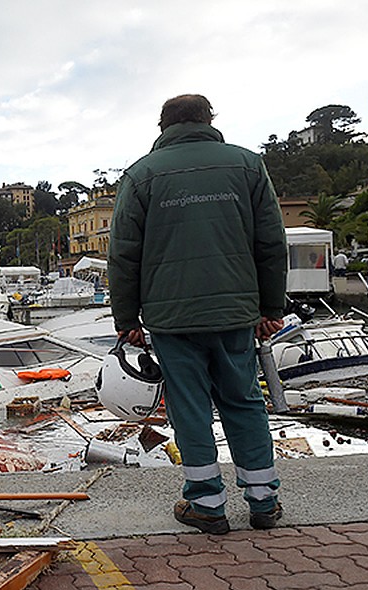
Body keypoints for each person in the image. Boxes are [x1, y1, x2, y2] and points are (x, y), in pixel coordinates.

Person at [107, 94, 287, 535]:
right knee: (243, 400)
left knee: (189, 407)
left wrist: (126, 319)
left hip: (172, 317)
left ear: (162, 127)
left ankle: (207, 504)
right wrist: (271, 308)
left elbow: (123, 255)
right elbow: (271, 241)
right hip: (235, 311)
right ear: (209, 121)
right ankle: (263, 500)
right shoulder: (246, 166)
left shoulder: (141, 175)